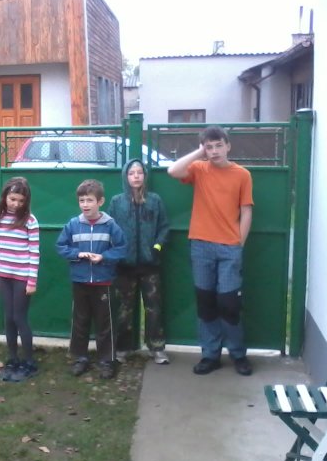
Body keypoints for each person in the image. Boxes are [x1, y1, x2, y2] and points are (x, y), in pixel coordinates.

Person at [167, 125, 254, 376]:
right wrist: (199, 152)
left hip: (229, 249)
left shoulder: (242, 175)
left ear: (228, 146)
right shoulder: (199, 168)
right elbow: (173, 170)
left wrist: (239, 243)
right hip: (201, 246)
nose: (214, 151)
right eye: (209, 146)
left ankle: (238, 354)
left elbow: (246, 211)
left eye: (218, 145)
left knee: (229, 304)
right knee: (206, 304)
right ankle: (210, 355)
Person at [56, 179, 127, 379]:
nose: (85, 205)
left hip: (104, 282)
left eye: (89, 200)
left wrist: (103, 257)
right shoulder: (73, 224)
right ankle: (80, 358)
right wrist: (77, 254)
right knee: (80, 321)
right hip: (80, 282)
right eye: (82, 200)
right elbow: (61, 246)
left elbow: (122, 248)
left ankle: (107, 361)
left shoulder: (110, 225)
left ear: (100, 201)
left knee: (105, 323)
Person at [107, 159, 171, 365]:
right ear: (125, 177)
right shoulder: (117, 202)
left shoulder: (154, 200)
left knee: (154, 307)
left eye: (139, 172)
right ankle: (122, 348)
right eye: (131, 173)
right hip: (124, 266)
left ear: (145, 176)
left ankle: (157, 348)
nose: (136, 176)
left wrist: (157, 247)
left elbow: (164, 227)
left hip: (149, 264)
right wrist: (117, 252)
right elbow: (110, 228)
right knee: (124, 309)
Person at [0, 177, 40, 382]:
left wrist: (31, 281)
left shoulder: (30, 221)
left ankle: (29, 362)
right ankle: (12, 359)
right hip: (4, 276)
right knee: (8, 318)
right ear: (5, 197)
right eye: (12, 199)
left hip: (22, 277)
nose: (16, 204)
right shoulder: (0, 218)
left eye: (21, 201)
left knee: (20, 318)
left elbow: (34, 252)